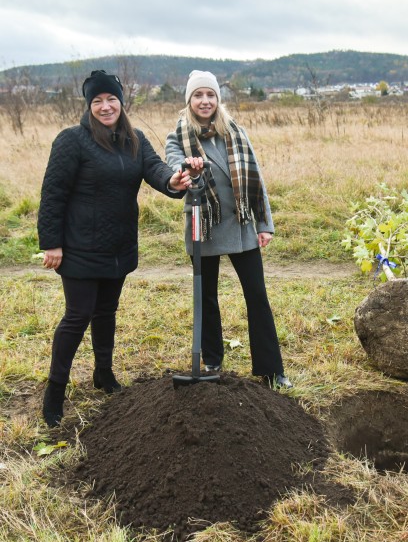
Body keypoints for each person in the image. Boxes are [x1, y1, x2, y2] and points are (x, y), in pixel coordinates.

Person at [38, 70, 195, 428]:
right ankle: (54, 393)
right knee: (77, 316)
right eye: (97, 101)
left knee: (106, 311)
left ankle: (103, 374)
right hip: (79, 247)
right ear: (89, 105)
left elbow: (156, 170)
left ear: (121, 103)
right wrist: (51, 243)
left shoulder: (135, 140)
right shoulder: (72, 141)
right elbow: (53, 194)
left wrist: (173, 180)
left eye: (111, 99)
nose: (105, 106)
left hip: (118, 245)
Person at [165, 70, 292, 388]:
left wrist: (265, 225)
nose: (204, 101)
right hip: (202, 226)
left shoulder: (235, 132)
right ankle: (211, 360)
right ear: (189, 100)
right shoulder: (179, 136)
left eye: (210, 95)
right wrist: (184, 170)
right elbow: (172, 167)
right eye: (198, 95)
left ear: (217, 100)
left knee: (257, 296)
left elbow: (256, 180)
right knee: (205, 296)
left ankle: (271, 371)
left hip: (242, 224)